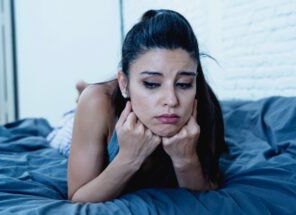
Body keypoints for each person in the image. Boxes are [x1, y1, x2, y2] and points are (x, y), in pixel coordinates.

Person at [65, 9, 227, 203]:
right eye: (151, 84)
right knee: (64, 131)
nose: (171, 100)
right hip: (98, 108)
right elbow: (78, 197)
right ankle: (80, 94)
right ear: (124, 83)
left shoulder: (205, 103)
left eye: (183, 84)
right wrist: (129, 158)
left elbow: (208, 195)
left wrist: (185, 160)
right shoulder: (97, 103)